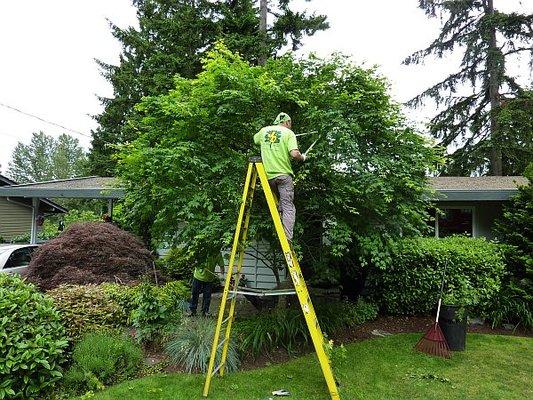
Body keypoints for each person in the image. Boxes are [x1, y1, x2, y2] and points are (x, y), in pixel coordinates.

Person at [253, 112, 305, 241]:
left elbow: (255, 140)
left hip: (268, 178)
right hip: (283, 176)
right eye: (290, 124)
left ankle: (281, 215)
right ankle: (286, 238)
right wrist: (302, 157)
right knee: (288, 207)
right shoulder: (289, 133)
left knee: (282, 202)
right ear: (287, 122)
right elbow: (294, 154)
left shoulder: (264, 131)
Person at [189, 249, 225, 316]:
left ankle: (205, 311)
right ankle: (192, 310)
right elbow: (193, 261)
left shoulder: (217, 253)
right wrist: (195, 263)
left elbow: (221, 265)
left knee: (207, 296)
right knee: (195, 293)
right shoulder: (202, 249)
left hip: (209, 279)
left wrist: (222, 275)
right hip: (198, 276)